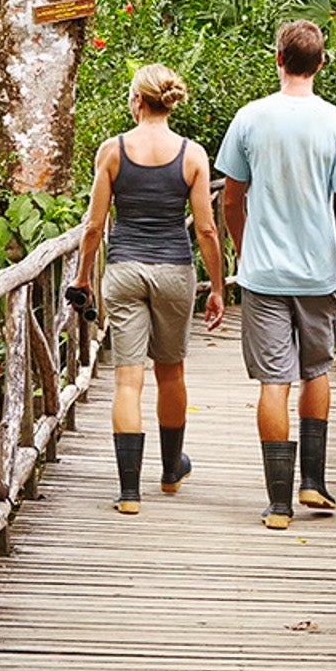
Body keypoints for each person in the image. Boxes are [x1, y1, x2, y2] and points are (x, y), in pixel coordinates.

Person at [216, 20, 336, 530]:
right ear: (320, 63)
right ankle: (314, 482)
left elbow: (230, 198)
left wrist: (244, 249)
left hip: (263, 275)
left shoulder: (250, 119)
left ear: (277, 59)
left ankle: (279, 503)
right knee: (315, 372)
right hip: (319, 274)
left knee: (273, 382)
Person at [74, 64, 227, 514]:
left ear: (137, 102)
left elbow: (94, 226)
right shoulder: (192, 154)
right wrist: (216, 286)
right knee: (171, 372)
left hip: (124, 269)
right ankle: (169, 470)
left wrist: (83, 276)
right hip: (174, 272)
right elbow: (206, 230)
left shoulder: (113, 151)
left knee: (127, 377)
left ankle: (128, 491)